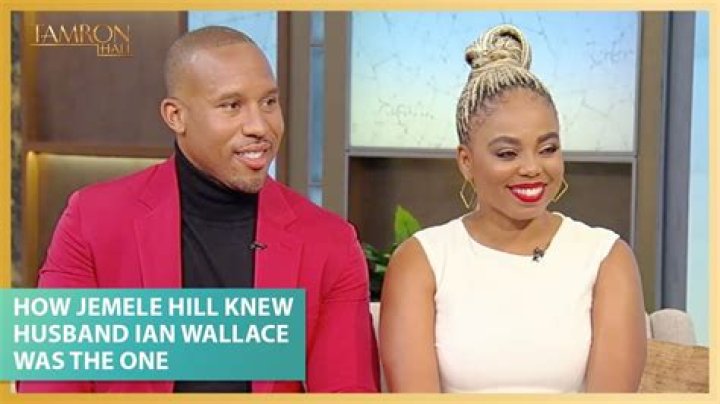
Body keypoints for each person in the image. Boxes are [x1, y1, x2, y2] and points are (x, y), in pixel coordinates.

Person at [18, 26, 379, 393]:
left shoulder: (329, 241)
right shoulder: (93, 219)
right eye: (231, 105)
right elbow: (50, 383)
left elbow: (345, 391)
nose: (260, 126)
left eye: (269, 102)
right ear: (176, 116)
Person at [379, 24, 646, 393]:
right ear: (466, 161)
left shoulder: (606, 258)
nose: (532, 168)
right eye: (507, 153)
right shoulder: (422, 261)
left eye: (548, 149)